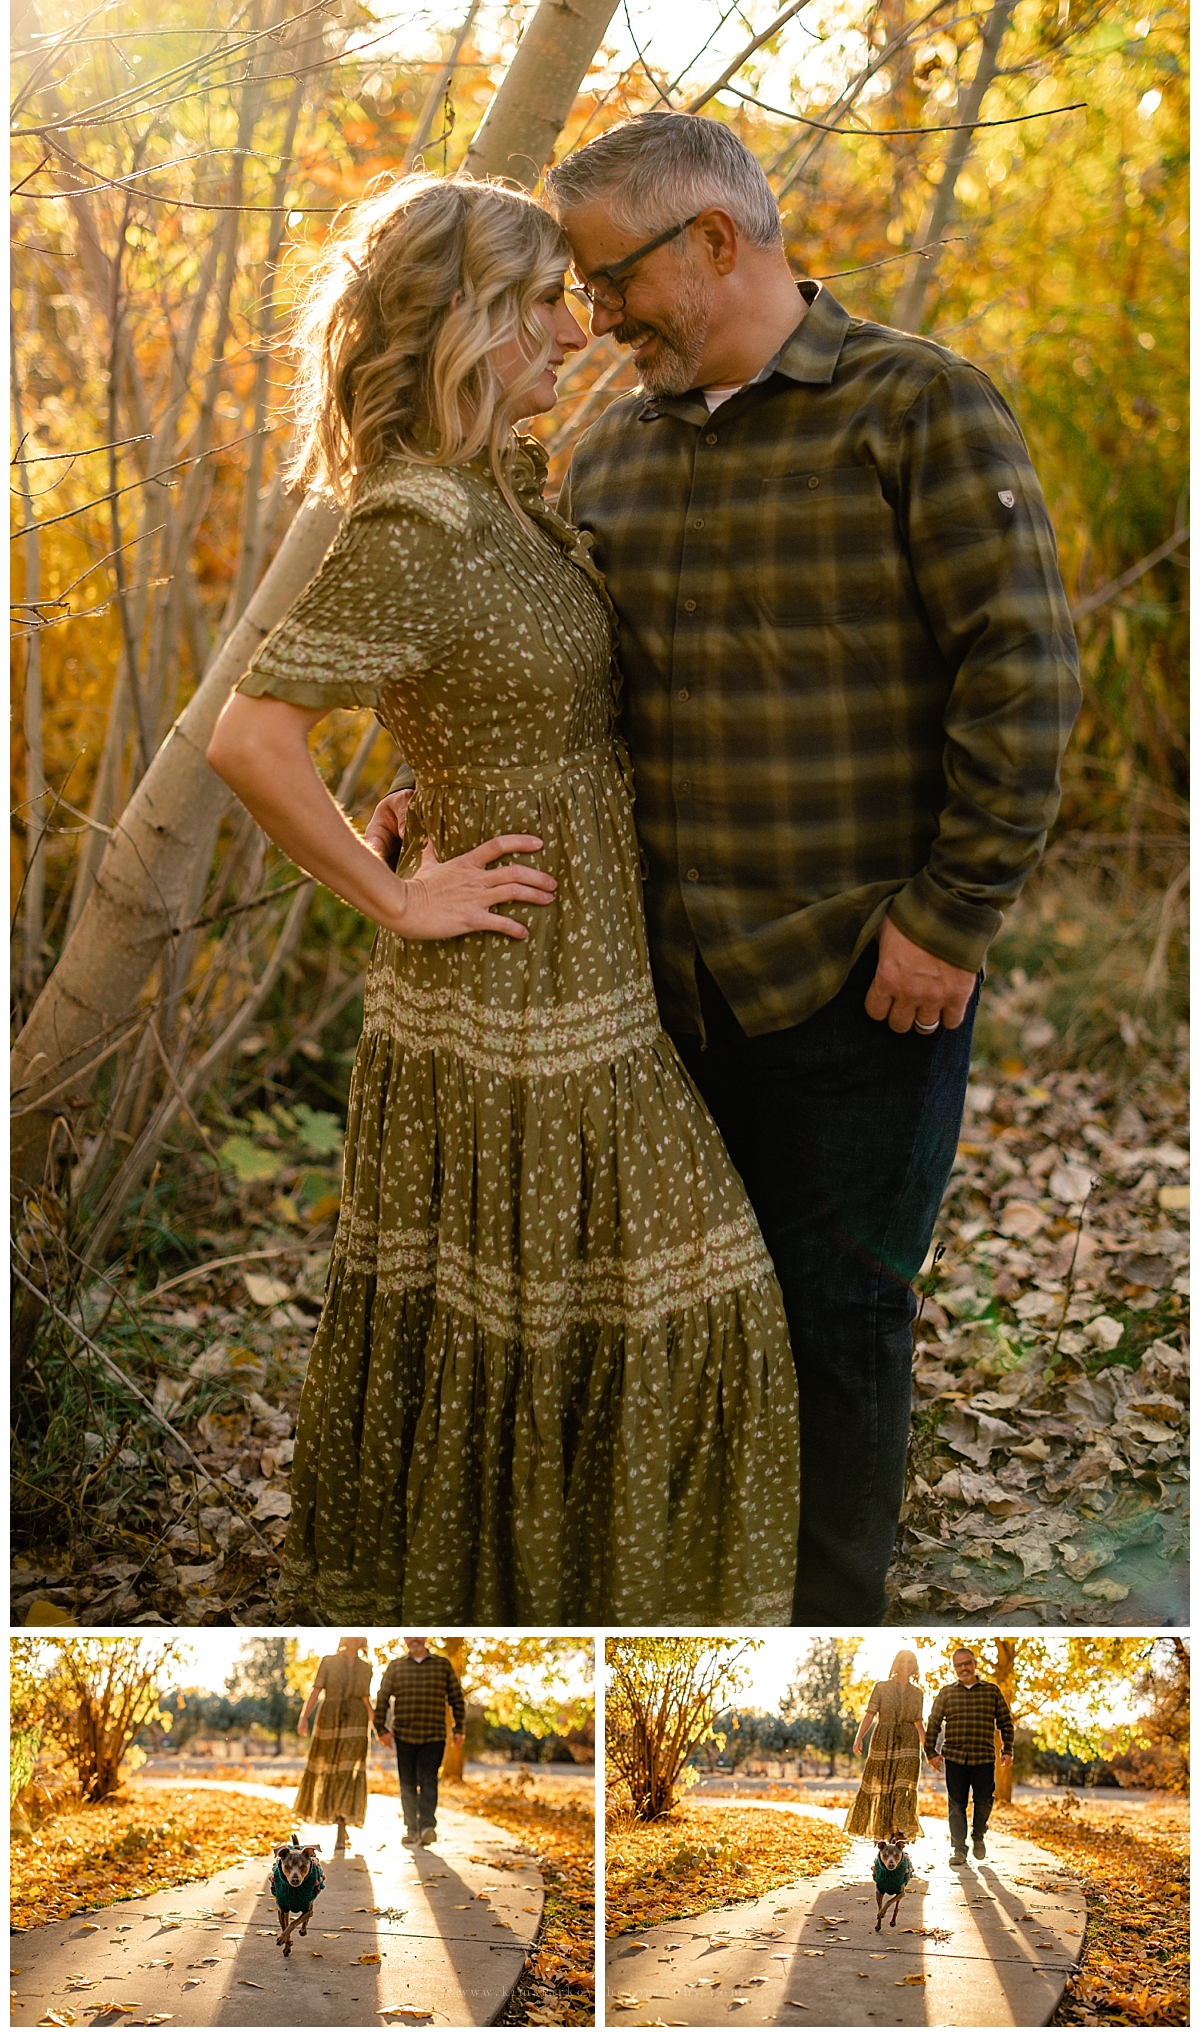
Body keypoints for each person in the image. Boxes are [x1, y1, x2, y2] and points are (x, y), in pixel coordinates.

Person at [206, 171, 800, 1625]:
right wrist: (391, 895)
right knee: (622, 1316)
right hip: (510, 992)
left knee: (627, 1318)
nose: (575, 331)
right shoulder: (417, 518)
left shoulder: (498, 498)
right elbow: (249, 739)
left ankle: (568, 1599)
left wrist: (435, 774)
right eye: (542, 302)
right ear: (467, 321)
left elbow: (473, 690)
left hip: (593, 976)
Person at [545, 112, 1081, 1622]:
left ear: (716, 240)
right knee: (695, 1318)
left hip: (866, 977)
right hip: (665, 989)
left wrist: (951, 916)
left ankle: (825, 1620)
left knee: (839, 1319)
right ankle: (705, 1587)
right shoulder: (613, 454)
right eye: (579, 296)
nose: (596, 321)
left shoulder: (917, 408)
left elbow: (1024, 678)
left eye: (611, 280)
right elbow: (566, 684)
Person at [924, 1646, 1015, 1864]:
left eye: (967, 1663)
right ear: (954, 1668)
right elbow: (934, 1723)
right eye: (959, 1665)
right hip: (955, 1758)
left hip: (983, 1757)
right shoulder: (946, 1693)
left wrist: (1007, 1749)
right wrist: (930, 1752)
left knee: (984, 1802)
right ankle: (959, 1850)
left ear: (975, 1664)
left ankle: (978, 1835)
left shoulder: (991, 1691)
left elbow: (1005, 1722)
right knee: (956, 1805)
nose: (964, 1668)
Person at [374, 1635, 465, 1847]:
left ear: (425, 1637)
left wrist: (459, 1727)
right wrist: (381, 1729)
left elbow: (456, 1697)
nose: (414, 1638)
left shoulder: (442, 1665)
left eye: (418, 1635)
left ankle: (427, 1827)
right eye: (410, 1635)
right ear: (405, 1639)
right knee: (407, 1783)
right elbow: (382, 1697)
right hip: (404, 1735)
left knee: (428, 1780)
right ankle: (411, 1829)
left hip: (434, 1735)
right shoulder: (396, 1667)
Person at [294, 1634, 374, 1853]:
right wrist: (303, 1718)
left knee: (348, 1773)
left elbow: (367, 1700)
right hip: (329, 1720)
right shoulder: (328, 1661)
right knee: (328, 1771)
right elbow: (316, 1691)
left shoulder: (367, 1668)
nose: (355, 1638)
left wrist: (379, 1729)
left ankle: (341, 1826)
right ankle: (340, 1822)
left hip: (356, 1725)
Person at [844, 1648, 925, 1842]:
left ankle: (900, 1832)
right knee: (883, 1788)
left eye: (910, 1662)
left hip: (909, 1744)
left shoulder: (917, 1693)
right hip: (883, 1741)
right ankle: (883, 1834)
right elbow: (870, 1715)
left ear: (914, 1667)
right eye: (902, 1661)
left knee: (902, 1788)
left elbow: (919, 1723)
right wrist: (858, 1738)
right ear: (895, 1664)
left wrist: (929, 1750)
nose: (905, 1665)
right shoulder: (881, 1688)